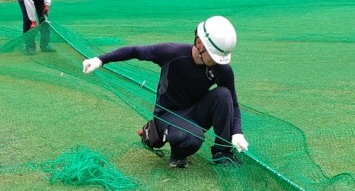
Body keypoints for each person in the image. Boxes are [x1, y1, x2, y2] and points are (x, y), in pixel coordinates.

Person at [81, 16, 250, 168]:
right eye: (214, 55)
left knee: (223, 94)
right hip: (167, 114)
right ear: (199, 44)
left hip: (195, 113)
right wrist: (100, 60)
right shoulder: (172, 53)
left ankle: (222, 153)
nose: (218, 61)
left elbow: (233, 104)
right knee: (192, 139)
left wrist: (237, 133)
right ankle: (171, 146)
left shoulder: (221, 68)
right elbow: (135, 51)